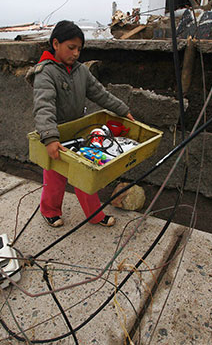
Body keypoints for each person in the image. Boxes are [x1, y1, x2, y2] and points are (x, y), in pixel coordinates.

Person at [29, 20, 134, 228]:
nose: (76, 53)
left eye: (79, 49)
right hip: (56, 136)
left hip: (78, 133)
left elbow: (101, 94)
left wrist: (123, 110)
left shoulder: (81, 72)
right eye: (71, 48)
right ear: (56, 44)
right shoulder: (45, 72)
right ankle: (49, 210)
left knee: (85, 176)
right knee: (55, 179)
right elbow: (44, 107)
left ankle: (95, 215)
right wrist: (50, 138)